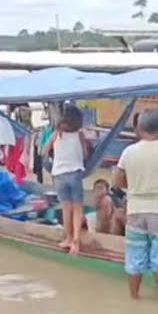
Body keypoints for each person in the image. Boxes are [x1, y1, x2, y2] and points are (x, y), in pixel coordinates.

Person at [113, 109, 158, 300]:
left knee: (135, 257)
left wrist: (135, 184)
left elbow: (117, 181)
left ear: (139, 128)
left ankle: (134, 298)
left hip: (135, 210)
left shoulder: (128, 152)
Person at [43, 104, 90, 254]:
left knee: (66, 209)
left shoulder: (57, 134)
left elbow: (44, 150)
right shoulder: (80, 135)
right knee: (77, 209)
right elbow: (84, 155)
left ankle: (68, 238)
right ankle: (76, 241)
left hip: (59, 175)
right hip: (75, 173)